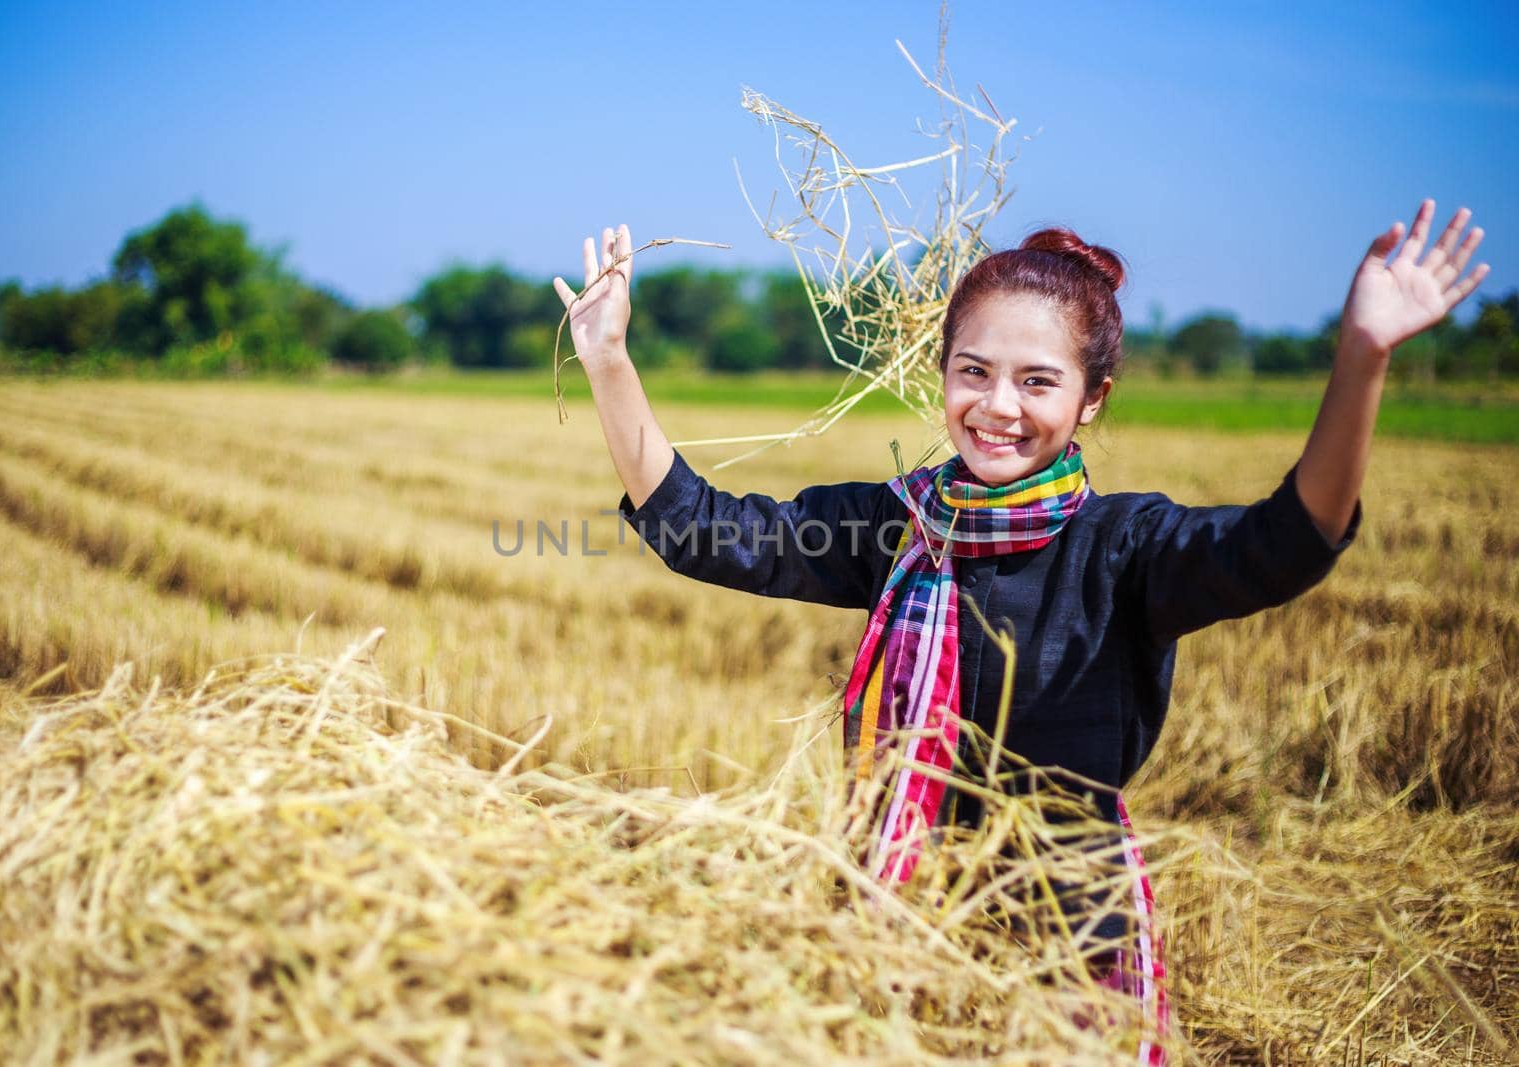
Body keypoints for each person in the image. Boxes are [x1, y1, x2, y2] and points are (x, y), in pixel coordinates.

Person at [551, 204, 1488, 1059]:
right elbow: (705, 532)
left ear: (1092, 399)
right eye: (975, 372)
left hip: (1068, 946)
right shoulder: (897, 527)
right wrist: (609, 363)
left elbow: (1287, 541)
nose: (999, 407)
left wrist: (1363, 356)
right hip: (898, 920)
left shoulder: (1124, 549)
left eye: (1038, 381)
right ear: (944, 375)